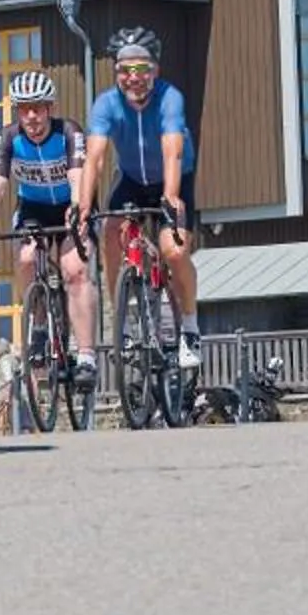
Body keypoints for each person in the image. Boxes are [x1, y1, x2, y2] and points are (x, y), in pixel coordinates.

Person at [84, 24, 203, 369]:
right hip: (133, 178)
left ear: (155, 71)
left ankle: (191, 328)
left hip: (175, 177)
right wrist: (82, 204)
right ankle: (118, 313)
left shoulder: (170, 98)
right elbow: (96, 157)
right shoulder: (106, 104)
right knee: (109, 229)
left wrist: (170, 195)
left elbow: (172, 151)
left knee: (174, 251)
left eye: (141, 69)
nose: (132, 77)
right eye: (124, 70)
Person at [0, 68, 94, 388]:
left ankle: (85, 355)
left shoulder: (69, 132)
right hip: (34, 210)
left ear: (49, 109)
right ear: (17, 112)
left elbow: (77, 177)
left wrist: (75, 209)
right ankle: (39, 324)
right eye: (24, 109)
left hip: (70, 206)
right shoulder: (8, 137)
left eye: (38, 108)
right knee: (27, 259)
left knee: (74, 269)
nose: (31, 116)